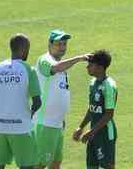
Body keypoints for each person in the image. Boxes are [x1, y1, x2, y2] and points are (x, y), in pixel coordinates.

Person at [33, 29, 90, 169]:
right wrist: (79, 58)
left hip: (56, 123)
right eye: (59, 44)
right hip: (45, 123)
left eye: (64, 44)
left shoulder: (62, 67)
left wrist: (61, 118)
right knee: (39, 164)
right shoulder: (44, 60)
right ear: (50, 44)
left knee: (56, 162)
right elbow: (55, 68)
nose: (62, 47)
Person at [0, 33, 42, 169]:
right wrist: (30, 115)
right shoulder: (29, 70)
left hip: (1, 127)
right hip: (21, 127)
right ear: (24, 49)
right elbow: (37, 101)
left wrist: (2, 112)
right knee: (27, 166)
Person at [72, 49, 118, 169]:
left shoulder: (108, 86)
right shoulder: (93, 83)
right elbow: (92, 109)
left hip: (105, 134)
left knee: (108, 166)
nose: (87, 67)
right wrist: (81, 127)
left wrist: (91, 132)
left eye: (90, 65)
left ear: (100, 67)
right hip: (94, 133)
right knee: (91, 166)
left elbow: (109, 114)